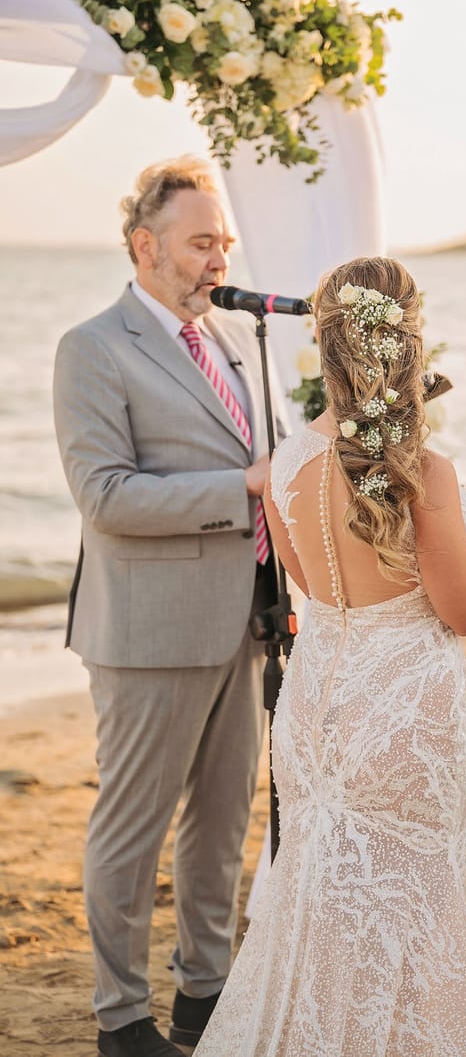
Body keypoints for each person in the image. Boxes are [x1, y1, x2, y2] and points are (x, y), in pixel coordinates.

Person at [193, 256, 466, 1057]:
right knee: (416, 911)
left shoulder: (283, 464)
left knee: (317, 905)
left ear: (325, 343)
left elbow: (309, 585)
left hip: (316, 705)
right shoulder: (422, 470)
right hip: (405, 711)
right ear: (408, 342)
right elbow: (463, 610)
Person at [53, 156, 278, 1057]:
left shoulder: (227, 339)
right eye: (200, 243)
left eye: (224, 243)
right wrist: (244, 487)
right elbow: (106, 497)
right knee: (132, 830)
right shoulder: (93, 348)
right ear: (145, 247)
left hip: (243, 621)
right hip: (147, 633)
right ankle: (120, 1019)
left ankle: (203, 997)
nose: (219, 260)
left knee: (221, 828)